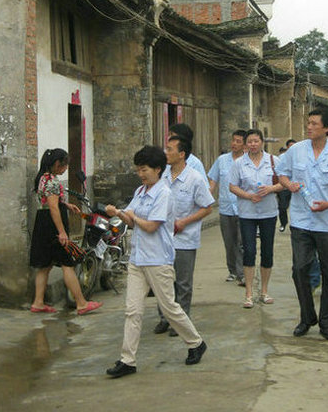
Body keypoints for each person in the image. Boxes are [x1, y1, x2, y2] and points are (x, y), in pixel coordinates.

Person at [105, 145, 207, 378]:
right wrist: (118, 213)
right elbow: (130, 220)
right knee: (132, 310)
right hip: (137, 259)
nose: (141, 174)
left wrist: (132, 216)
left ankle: (196, 342)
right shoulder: (140, 191)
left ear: (158, 169)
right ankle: (127, 360)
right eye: (138, 170)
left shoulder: (164, 194)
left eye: (145, 170)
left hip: (158, 259)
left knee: (169, 308)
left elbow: (151, 226)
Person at [277, 108, 328, 340]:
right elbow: (281, 173)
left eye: (314, 123)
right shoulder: (296, 150)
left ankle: (326, 323)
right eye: (308, 123)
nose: (309, 127)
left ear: (327, 128)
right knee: (299, 270)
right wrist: (289, 184)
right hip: (301, 220)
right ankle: (307, 317)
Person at [153, 135, 214, 336]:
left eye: (170, 149)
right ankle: (164, 318)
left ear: (181, 154)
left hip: (185, 239)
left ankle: (180, 322)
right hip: (162, 238)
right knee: (163, 281)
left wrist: (184, 222)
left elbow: (207, 208)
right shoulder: (161, 176)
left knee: (183, 283)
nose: (166, 153)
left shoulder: (195, 178)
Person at [29, 148, 102, 316]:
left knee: (45, 266)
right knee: (67, 264)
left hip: (42, 222)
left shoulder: (43, 178)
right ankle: (81, 303)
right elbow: (53, 207)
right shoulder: (52, 182)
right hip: (53, 225)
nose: (66, 168)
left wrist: (66, 205)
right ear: (56, 164)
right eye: (64, 164)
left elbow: (48, 203)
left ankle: (38, 302)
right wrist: (62, 232)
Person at [228, 129, 282, 308]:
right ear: (246, 144)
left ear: (262, 142)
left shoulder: (273, 161)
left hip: (268, 212)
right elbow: (232, 186)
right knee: (249, 251)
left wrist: (270, 189)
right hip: (247, 213)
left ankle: (264, 291)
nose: (253, 144)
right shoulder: (239, 163)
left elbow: (284, 182)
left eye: (256, 141)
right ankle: (249, 293)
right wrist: (248, 196)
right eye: (249, 141)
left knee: (267, 251)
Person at [208, 130, 246, 285]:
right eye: (233, 140)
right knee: (229, 242)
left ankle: (242, 273)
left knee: (242, 242)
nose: (234, 144)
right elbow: (213, 181)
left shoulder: (247, 161)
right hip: (225, 208)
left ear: (244, 144)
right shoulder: (222, 160)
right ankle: (232, 271)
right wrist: (206, 199)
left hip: (243, 208)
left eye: (238, 141)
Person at [169, 122, 209, 186]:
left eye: (172, 135)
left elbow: (204, 188)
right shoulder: (164, 158)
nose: (168, 138)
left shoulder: (195, 163)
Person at [277, 138, 296, 232]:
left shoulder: (301, 157)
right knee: (282, 207)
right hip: (284, 187)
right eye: (290, 146)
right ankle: (283, 223)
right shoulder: (281, 157)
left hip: (296, 187)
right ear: (287, 147)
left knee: (296, 207)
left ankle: (295, 225)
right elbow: (278, 171)